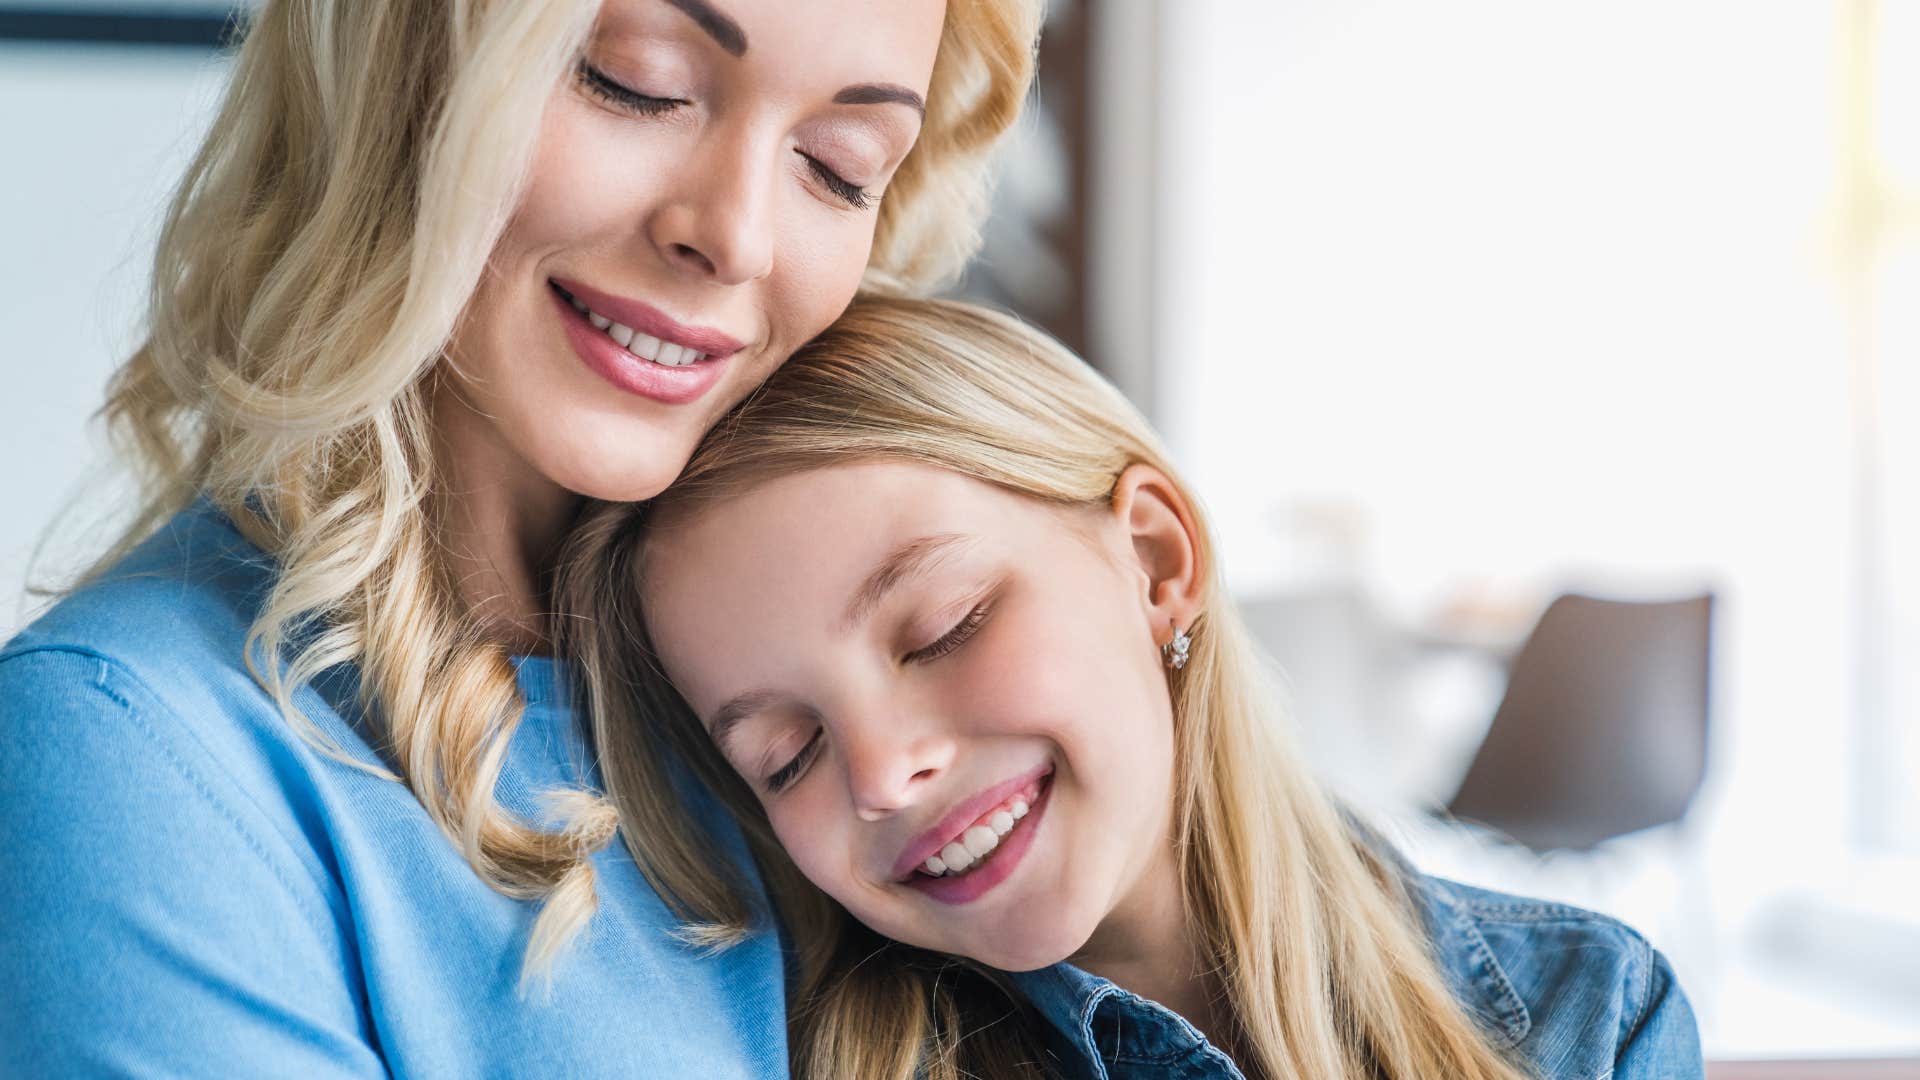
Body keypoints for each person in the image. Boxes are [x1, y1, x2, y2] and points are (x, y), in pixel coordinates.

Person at [0, 1, 1040, 1074]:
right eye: (635, 84)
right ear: (398, 66)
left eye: (837, 165)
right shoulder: (133, 751)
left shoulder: (902, 697)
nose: (735, 236)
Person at [555, 296, 1708, 1080]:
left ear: (1156, 560)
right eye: (786, 756)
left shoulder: (1592, 1017)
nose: (880, 770)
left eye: (943, 631)